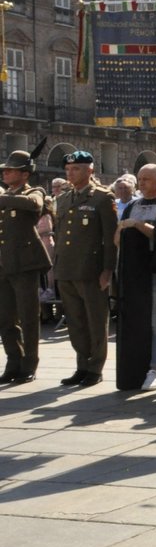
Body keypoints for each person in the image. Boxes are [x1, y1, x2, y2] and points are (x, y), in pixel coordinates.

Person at [54, 150, 119, 388]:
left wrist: (108, 270)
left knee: (95, 319)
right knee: (75, 320)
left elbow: (110, 238)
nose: (71, 173)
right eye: (69, 169)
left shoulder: (102, 198)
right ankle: (82, 364)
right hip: (66, 268)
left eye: (77, 168)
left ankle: (95, 367)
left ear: (90, 169)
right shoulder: (63, 198)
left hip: (91, 269)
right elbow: (60, 234)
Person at [114, 164, 156, 391]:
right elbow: (118, 236)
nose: (142, 183)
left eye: (147, 179)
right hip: (134, 273)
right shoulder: (133, 205)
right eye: (140, 178)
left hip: (155, 269)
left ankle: (155, 367)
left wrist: (137, 225)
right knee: (140, 320)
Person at [0, 150, 51, 384]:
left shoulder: (33, 192)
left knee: (28, 317)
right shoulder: (6, 194)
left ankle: (29, 364)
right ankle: (13, 362)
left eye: (10, 170)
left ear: (24, 174)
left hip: (24, 265)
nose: (5, 173)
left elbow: (34, 204)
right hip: (3, 265)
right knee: (5, 318)